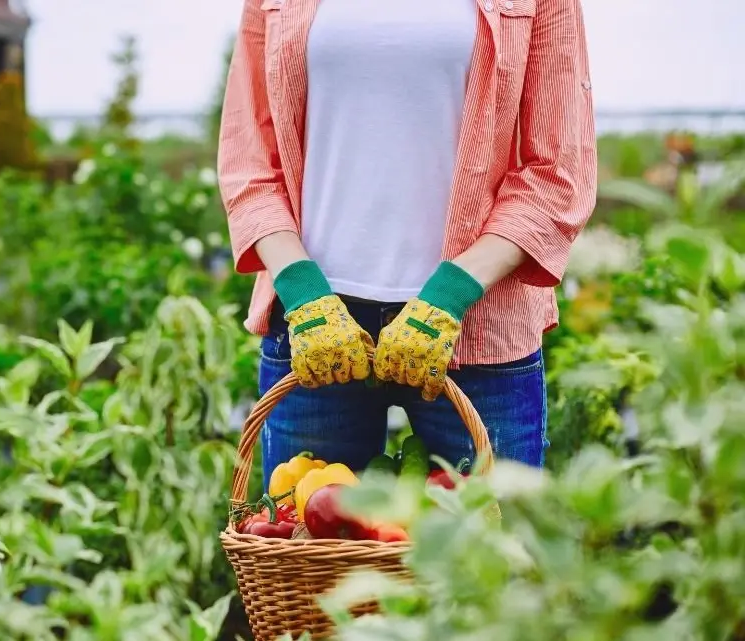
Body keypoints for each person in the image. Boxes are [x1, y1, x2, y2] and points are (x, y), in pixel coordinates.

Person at [218, 0, 597, 482]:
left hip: (475, 325)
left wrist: (450, 294)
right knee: (308, 552)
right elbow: (248, 161)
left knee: (487, 548)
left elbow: (558, 172)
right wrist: (301, 290)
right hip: (313, 325)